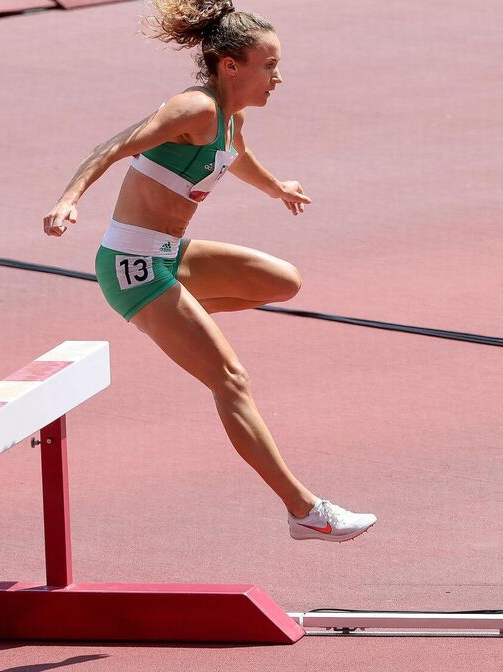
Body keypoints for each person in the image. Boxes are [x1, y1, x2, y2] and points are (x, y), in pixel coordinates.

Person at [42, 0, 375, 542]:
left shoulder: (229, 118)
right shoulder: (192, 108)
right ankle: (304, 511)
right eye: (269, 65)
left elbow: (235, 156)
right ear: (230, 65)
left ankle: (170, 321)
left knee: (282, 280)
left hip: (169, 255)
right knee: (231, 380)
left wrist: (277, 189)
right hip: (133, 266)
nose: (278, 77)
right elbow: (113, 146)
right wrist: (69, 199)